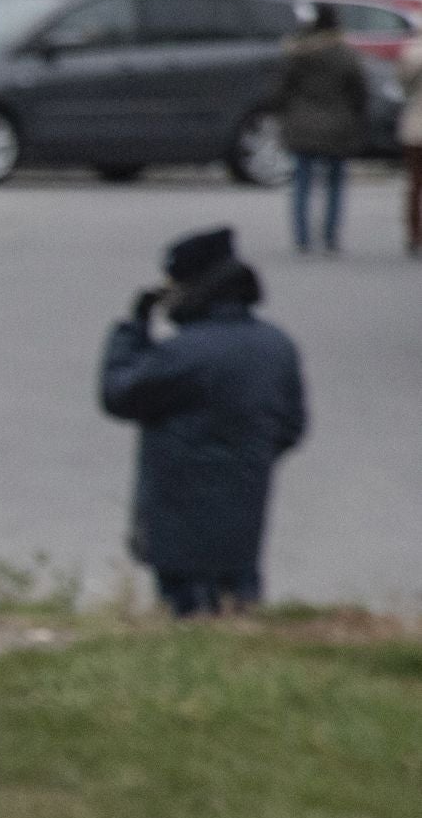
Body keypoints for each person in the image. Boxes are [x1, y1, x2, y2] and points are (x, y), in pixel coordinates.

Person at [100, 226, 307, 617]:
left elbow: (119, 393)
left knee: (186, 616)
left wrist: (133, 329)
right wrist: (248, 454)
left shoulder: (185, 353)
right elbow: (292, 425)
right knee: (238, 610)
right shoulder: (276, 345)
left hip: (177, 519)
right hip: (244, 511)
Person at [273, 2, 367, 254]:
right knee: (335, 183)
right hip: (338, 124)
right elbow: (359, 91)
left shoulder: (298, 52)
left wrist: (283, 113)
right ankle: (330, 236)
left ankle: (302, 237)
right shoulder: (344, 54)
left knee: (302, 181)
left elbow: (282, 89)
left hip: (301, 122)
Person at [396, 31, 422, 256]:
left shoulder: (411, 52)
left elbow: (402, 86)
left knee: (414, 184)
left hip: (415, 124)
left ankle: (414, 233)